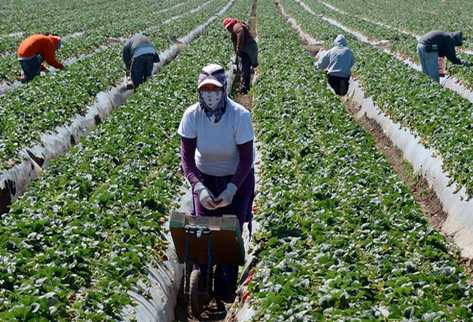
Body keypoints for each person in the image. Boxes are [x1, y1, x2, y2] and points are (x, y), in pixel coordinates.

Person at [178, 64, 255, 303]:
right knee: (203, 231)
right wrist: (199, 188)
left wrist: (232, 189)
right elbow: (187, 160)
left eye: (215, 89)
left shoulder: (239, 115)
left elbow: (246, 159)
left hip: (237, 179)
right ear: (199, 91)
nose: (210, 94)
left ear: (224, 89)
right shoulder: (192, 115)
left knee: (229, 235)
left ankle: (225, 288)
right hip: (205, 177)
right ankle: (201, 276)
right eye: (205, 89)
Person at [224, 17, 258, 94]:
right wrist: (237, 52)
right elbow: (235, 43)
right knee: (245, 68)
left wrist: (239, 48)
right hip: (246, 50)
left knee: (252, 66)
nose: (228, 29)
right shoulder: (234, 32)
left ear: (231, 25)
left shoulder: (236, 26)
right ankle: (245, 87)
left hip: (250, 48)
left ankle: (251, 85)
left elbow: (241, 32)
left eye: (228, 27)